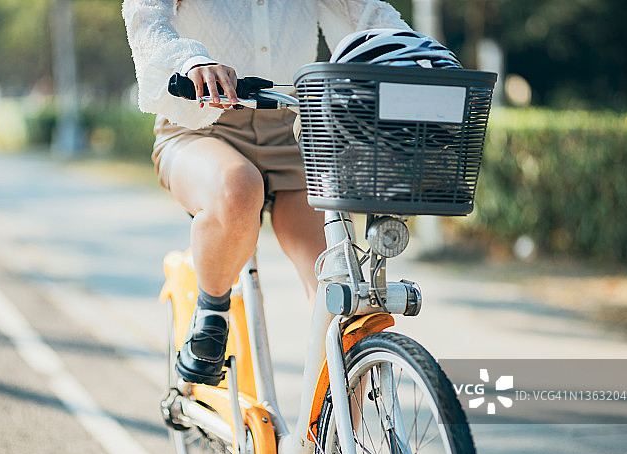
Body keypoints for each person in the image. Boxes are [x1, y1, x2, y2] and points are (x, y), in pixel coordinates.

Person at [122, 0, 412, 386]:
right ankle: (212, 310)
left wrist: (422, 57)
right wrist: (190, 61)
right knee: (238, 188)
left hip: (294, 123)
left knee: (341, 292)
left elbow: (370, 14)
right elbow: (146, 14)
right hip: (201, 119)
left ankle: (337, 422)